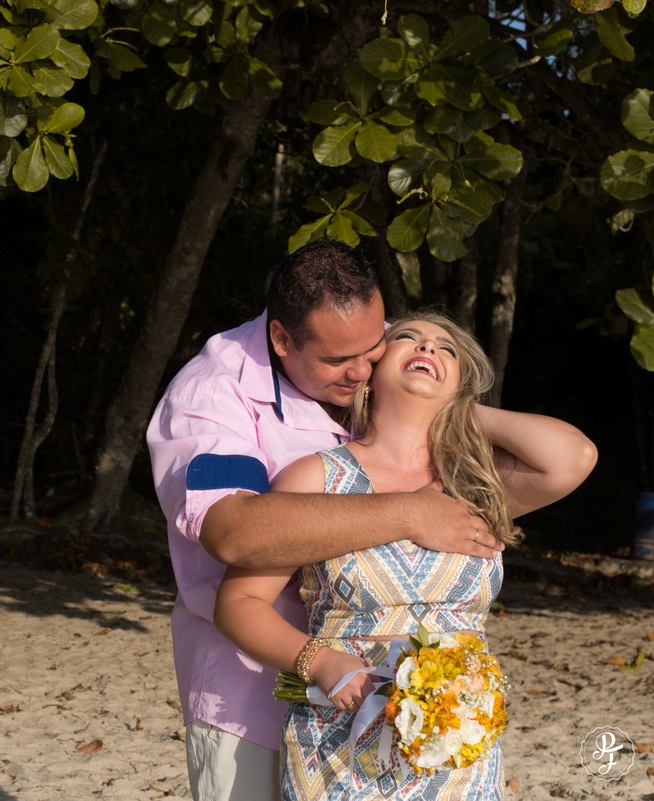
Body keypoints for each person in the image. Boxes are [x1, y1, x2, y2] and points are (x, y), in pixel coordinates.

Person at [147, 241, 522, 801]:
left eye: (374, 349)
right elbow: (235, 532)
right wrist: (408, 512)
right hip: (248, 690)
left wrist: (449, 404)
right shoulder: (213, 394)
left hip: (393, 706)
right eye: (339, 360)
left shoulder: (371, 346)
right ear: (282, 340)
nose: (363, 371)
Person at [212, 311, 596, 800]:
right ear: (371, 369)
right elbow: (239, 603)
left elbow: (574, 457)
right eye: (408, 338)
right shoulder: (315, 478)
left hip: (456, 745)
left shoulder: (475, 486)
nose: (428, 348)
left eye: (446, 349)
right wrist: (318, 661)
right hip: (339, 740)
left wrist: (455, 407)